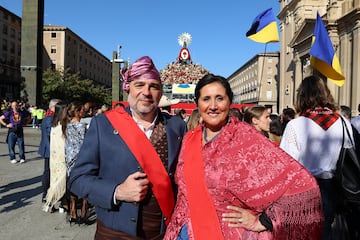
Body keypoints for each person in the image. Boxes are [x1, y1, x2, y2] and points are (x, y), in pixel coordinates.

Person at [164, 74, 323, 240]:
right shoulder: (190, 138)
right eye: (206, 99)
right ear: (197, 103)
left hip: (223, 232)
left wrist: (264, 221)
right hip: (182, 230)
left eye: (219, 98)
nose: (213, 106)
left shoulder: (247, 138)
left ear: (229, 101)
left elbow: (302, 183)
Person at [69, 56, 187, 239]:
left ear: (160, 92)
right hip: (114, 231)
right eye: (139, 85)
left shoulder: (176, 126)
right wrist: (117, 191)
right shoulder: (103, 125)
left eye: (153, 86)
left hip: (163, 232)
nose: (146, 92)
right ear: (128, 88)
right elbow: (77, 179)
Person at [280, 75, 353, 240]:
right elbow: (349, 156)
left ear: (302, 96)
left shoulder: (295, 125)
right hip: (336, 188)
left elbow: (287, 165)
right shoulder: (343, 122)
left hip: (304, 190)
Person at [61, 101, 89, 225]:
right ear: (77, 111)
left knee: (72, 184)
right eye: (83, 110)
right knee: (86, 185)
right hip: (83, 159)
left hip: (70, 159)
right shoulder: (82, 126)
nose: (85, 112)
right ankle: (83, 213)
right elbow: (87, 144)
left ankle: (73, 212)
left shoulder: (66, 125)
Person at [42, 102, 68, 213]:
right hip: (60, 156)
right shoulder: (62, 124)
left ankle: (51, 203)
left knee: (55, 180)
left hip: (55, 155)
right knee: (62, 179)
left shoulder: (54, 123)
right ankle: (60, 203)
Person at [38, 99, 61, 203]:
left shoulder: (50, 117)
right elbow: (50, 135)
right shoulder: (49, 118)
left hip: (50, 149)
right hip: (50, 150)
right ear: (53, 107)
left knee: (49, 171)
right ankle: (46, 194)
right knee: (48, 172)